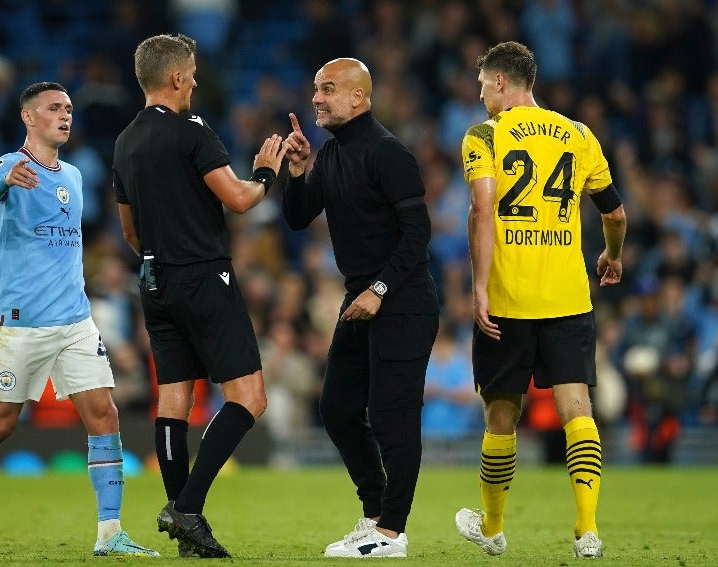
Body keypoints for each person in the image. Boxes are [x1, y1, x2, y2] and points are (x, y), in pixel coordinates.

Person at [0, 82, 158, 558]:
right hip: (20, 323)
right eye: (53, 109)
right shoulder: (8, 165)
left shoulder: (74, 175)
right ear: (29, 117)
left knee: (104, 413)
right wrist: (3, 184)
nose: (65, 116)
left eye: (68, 109)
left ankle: (111, 534)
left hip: (74, 320)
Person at [112, 34, 286, 559]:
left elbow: (128, 232)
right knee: (249, 397)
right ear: (177, 78)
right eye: (191, 72)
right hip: (203, 277)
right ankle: (187, 507)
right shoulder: (192, 130)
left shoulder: (124, 142)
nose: (194, 80)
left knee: (173, 400)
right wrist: (266, 174)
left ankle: (187, 529)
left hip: (154, 281)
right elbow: (237, 199)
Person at [454, 41, 627, 559]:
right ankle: (588, 529)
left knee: (501, 414)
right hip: (568, 296)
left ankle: (492, 527)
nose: (480, 92)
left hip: (508, 300)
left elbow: (483, 211)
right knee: (578, 409)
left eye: (483, 83)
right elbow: (614, 215)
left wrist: (479, 286)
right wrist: (612, 257)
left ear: (502, 83)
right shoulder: (578, 134)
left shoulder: (484, 135)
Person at [282, 57, 440, 558]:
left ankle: (391, 532)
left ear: (358, 96)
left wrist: (380, 289)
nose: (316, 98)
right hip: (362, 298)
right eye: (314, 89)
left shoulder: (389, 153)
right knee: (337, 409)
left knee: (393, 417)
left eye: (327, 89)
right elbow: (297, 217)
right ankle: (373, 513)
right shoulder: (328, 156)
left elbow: (419, 233)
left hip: (403, 300)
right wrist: (296, 170)